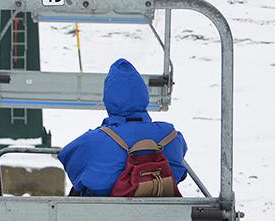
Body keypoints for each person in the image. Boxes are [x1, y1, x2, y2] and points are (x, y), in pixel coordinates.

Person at [59, 59, 190, 197]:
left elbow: (67, 158)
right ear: (144, 95)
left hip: (104, 215)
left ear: (108, 100)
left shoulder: (93, 141)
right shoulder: (171, 136)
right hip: (163, 214)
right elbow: (179, 173)